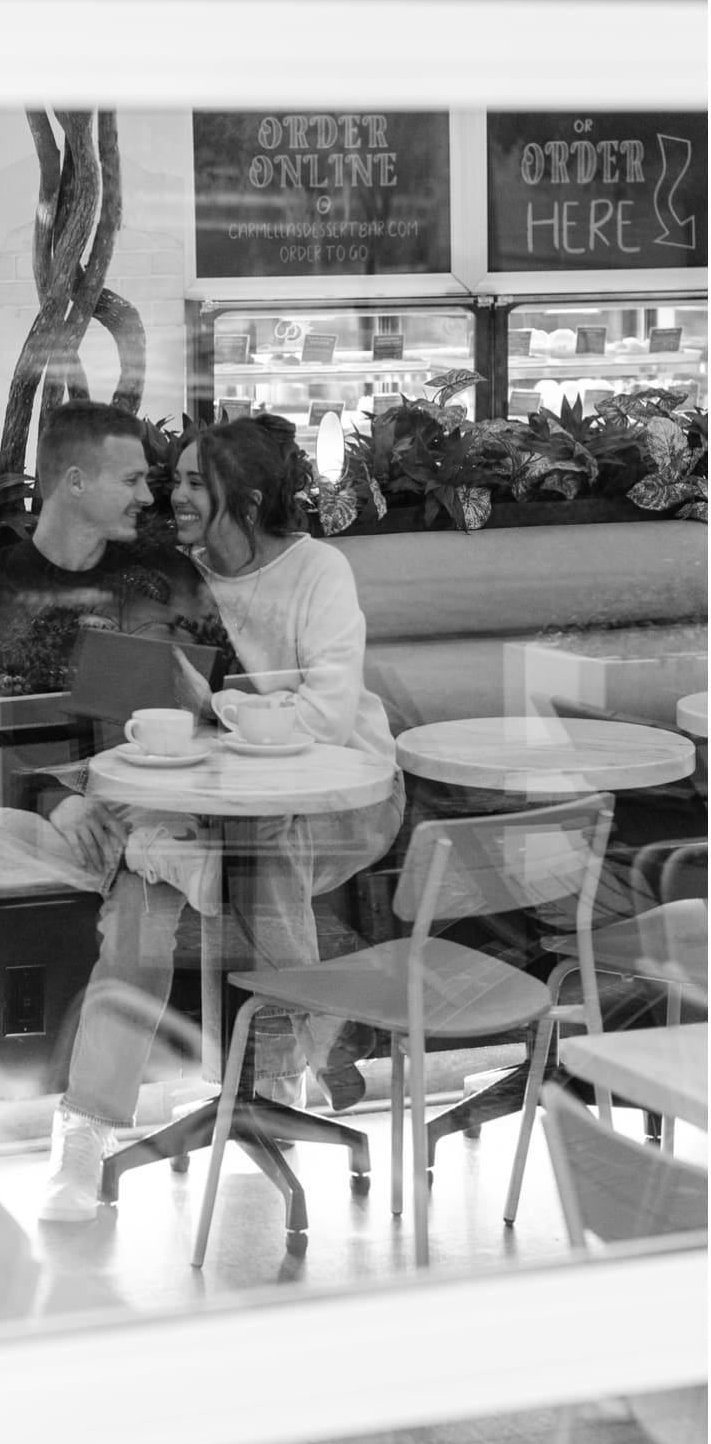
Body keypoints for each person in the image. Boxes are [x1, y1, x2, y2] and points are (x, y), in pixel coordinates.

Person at [0, 400, 227, 1221]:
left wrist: (195, 710)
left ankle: (85, 1141)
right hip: (65, 819)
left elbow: (226, 694)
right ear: (73, 483)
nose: (149, 495)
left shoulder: (160, 575)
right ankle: (137, 856)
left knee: (142, 920)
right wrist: (57, 791)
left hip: (169, 804)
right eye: (132, 477)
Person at [170, 413, 405, 1109]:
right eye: (173, 480)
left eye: (193, 483)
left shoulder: (318, 570)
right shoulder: (178, 576)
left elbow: (329, 718)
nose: (174, 497)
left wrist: (219, 708)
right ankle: (311, 1044)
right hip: (229, 802)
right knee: (250, 844)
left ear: (243, 502)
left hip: (353, 797)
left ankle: (271, 1082)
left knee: (256, 848)